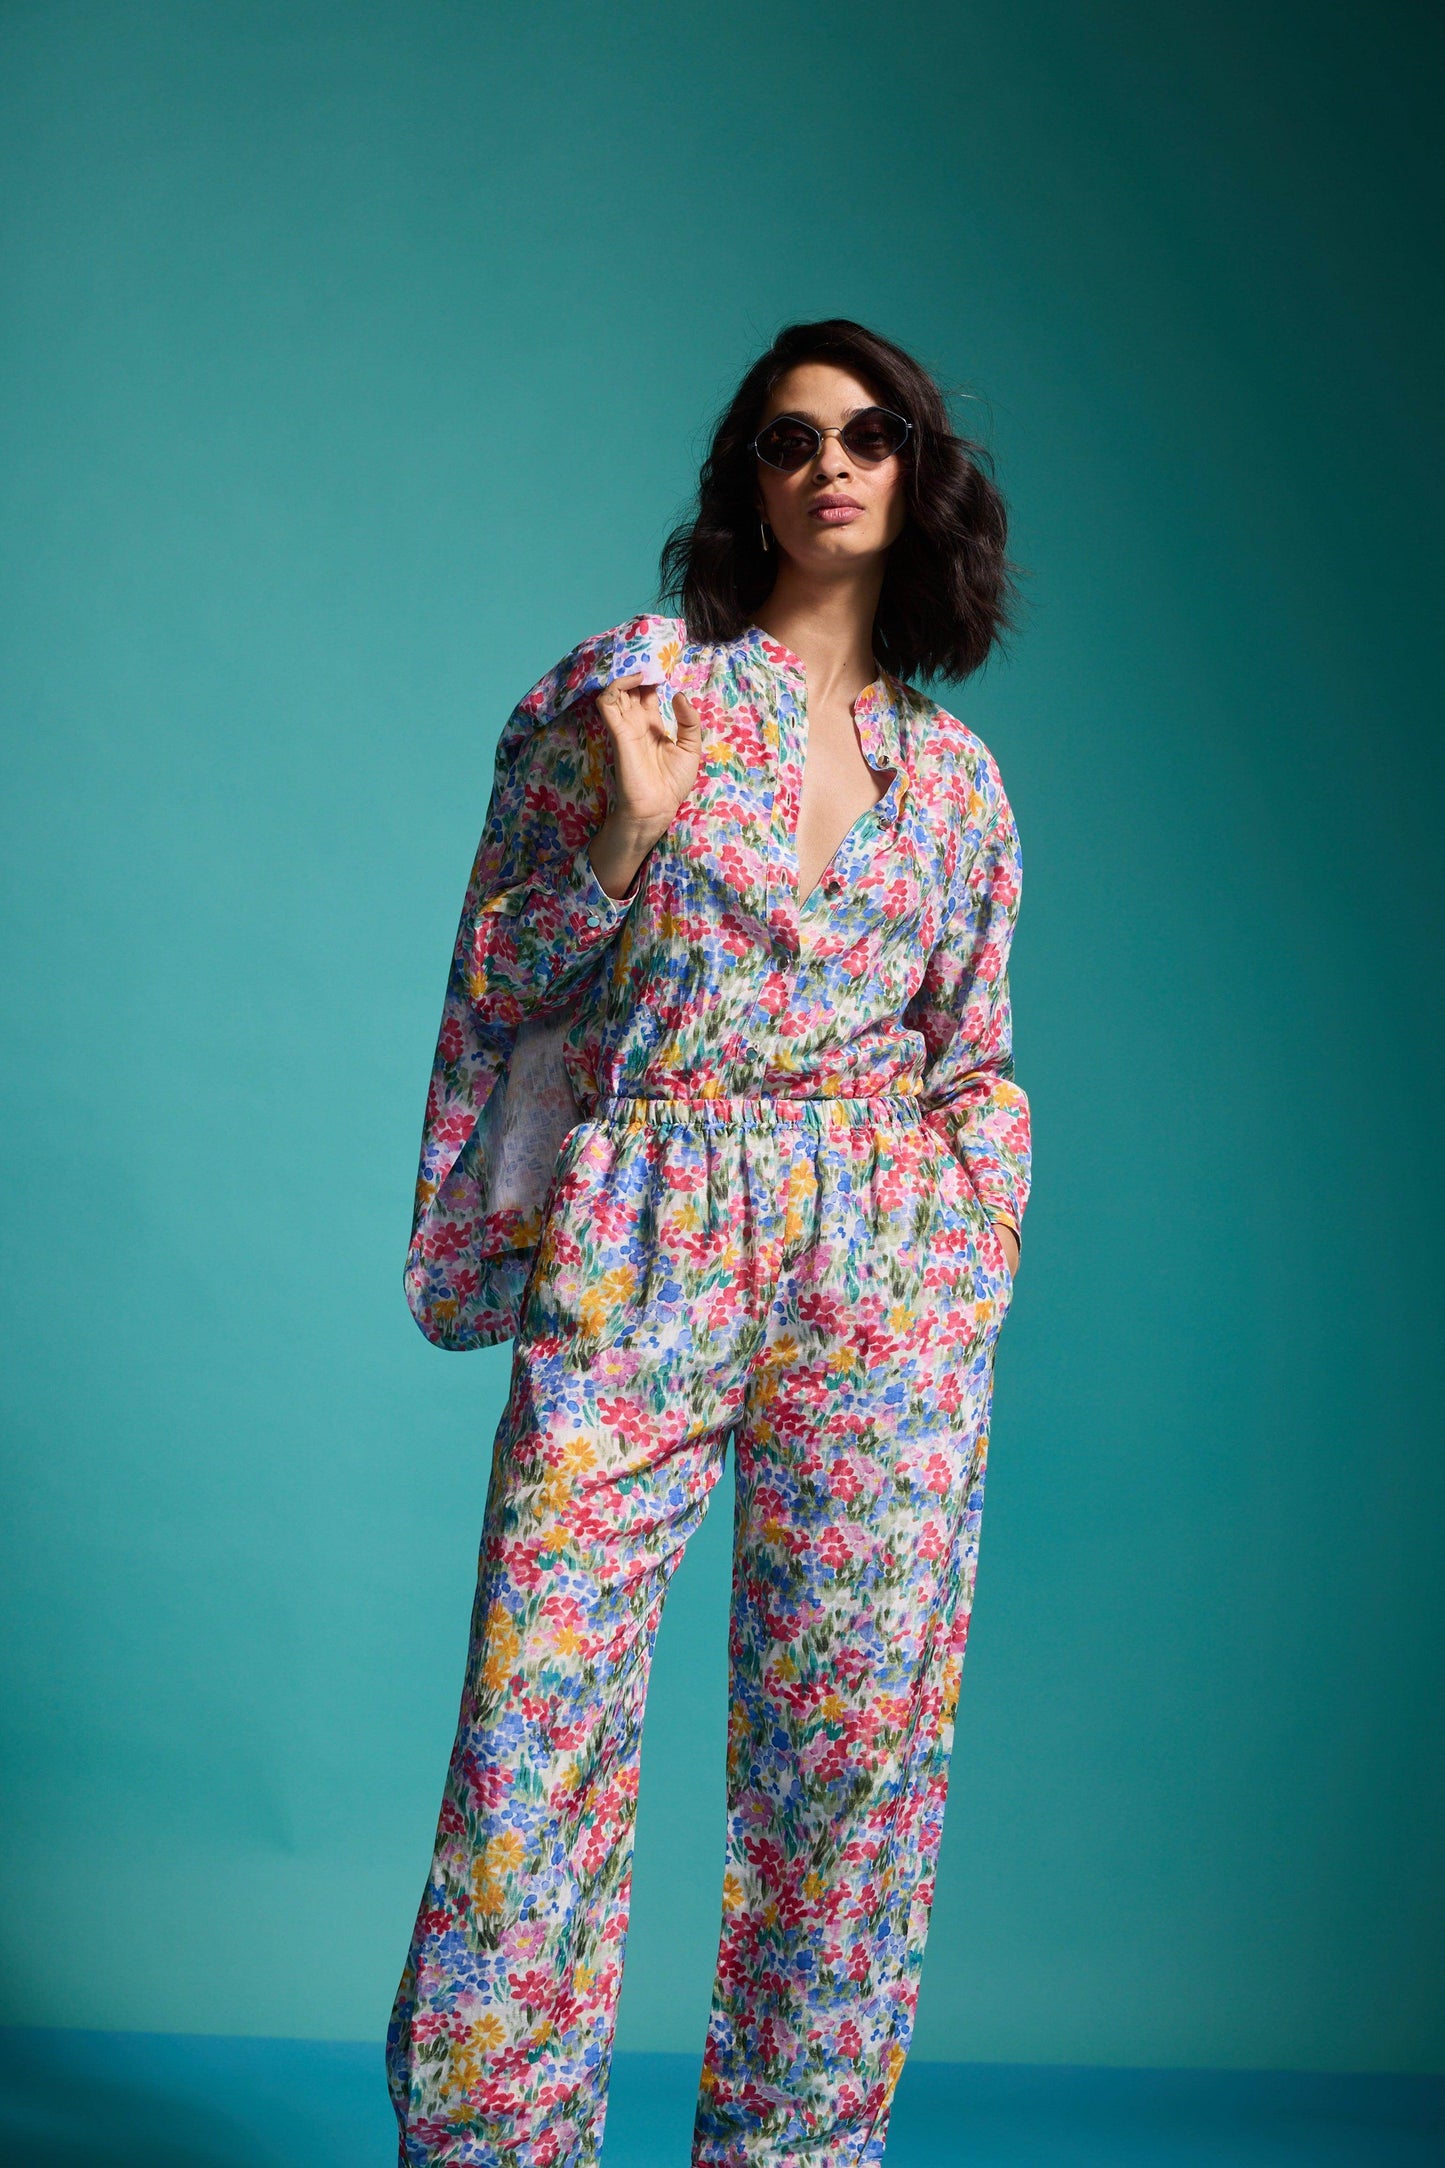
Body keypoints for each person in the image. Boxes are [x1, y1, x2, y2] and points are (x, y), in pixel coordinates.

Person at [387, 317, 1031, 2168]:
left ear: (917, 474)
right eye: (787, 436)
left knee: (852, 1766)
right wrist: (624, 831)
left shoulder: (959, 784)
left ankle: (795, 2149)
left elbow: (971, 1059)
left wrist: (963, 1254)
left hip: (883, 1269)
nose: (830, 463)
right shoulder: (642, 692)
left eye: (871, 432)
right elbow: (505, 974)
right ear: (743, 480)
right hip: (650, 1224)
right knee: (537, 1724)